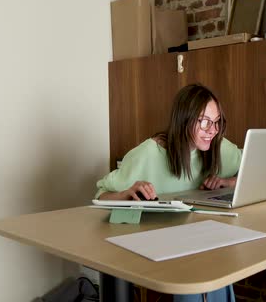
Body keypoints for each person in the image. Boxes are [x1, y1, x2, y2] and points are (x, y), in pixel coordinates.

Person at [95, 84, 241, 302]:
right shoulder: (148, 154)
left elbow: (251, 166)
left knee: (218, 271)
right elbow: (100, 195)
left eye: (217, 121)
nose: (213, 130)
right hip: (157, 249)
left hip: (200, 241)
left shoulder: (216, 145)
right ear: (184, 120)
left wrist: (229, 181)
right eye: (205, 122)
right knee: (193, 280)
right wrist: (126, 193)